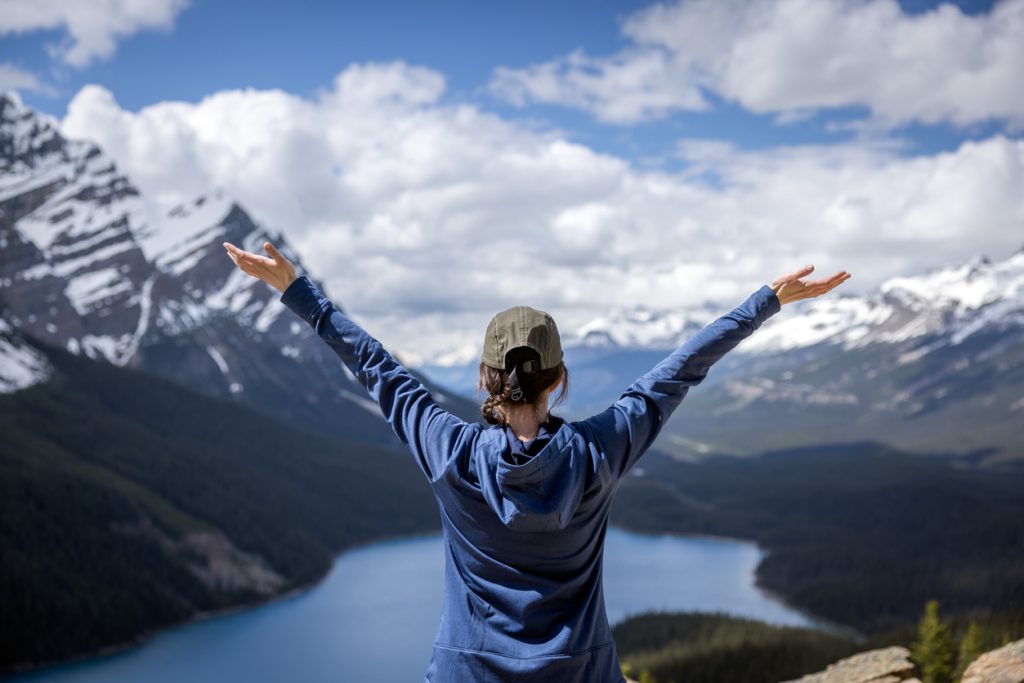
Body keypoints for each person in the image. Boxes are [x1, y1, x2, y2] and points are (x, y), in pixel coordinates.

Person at [223, 241, 851, 682]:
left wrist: (299, 292)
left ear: (483, 379)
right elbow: (675, 375)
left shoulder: (450, 452)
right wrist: (762, 303)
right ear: (560, 379)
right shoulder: (597, 453)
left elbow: (379, 370)